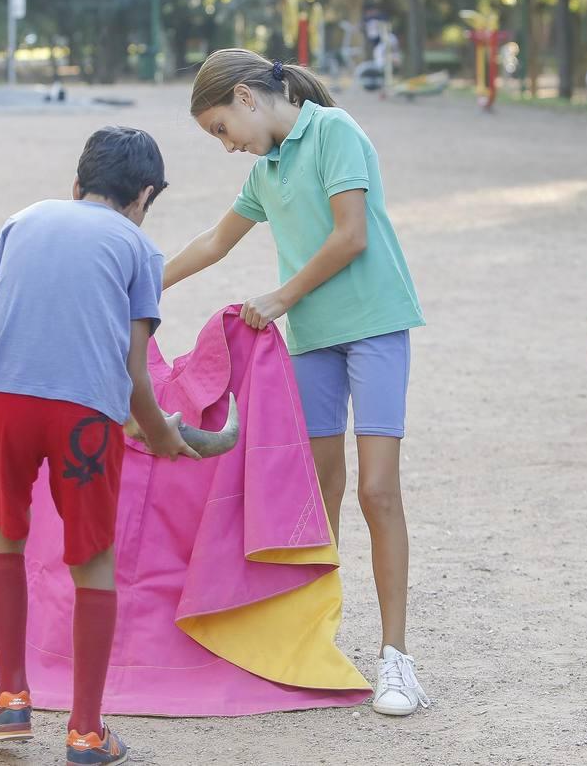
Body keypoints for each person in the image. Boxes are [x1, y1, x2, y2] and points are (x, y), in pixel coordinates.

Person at [163, 50, 430, 717]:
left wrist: (281, 296)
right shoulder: (267, 169)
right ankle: (316, 641)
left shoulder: (335, 133)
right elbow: (213, 242)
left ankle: (397, 660)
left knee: (376, 490)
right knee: (318, 490)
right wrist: (137, 287)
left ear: (248, 98)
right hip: (312, 340)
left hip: (374, 326)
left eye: (222, 129)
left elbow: (351, 237)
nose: (227, 146)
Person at [0, 126, 198, 763]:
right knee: (91, 559)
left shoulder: (22, 221)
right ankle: (86, 732)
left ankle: (10, 699)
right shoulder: (140, 250)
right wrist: (160, 433)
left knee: (3, 532)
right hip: (83, 421)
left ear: (76, 184)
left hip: (1, 404)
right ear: (145, 195)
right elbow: (133, 370)